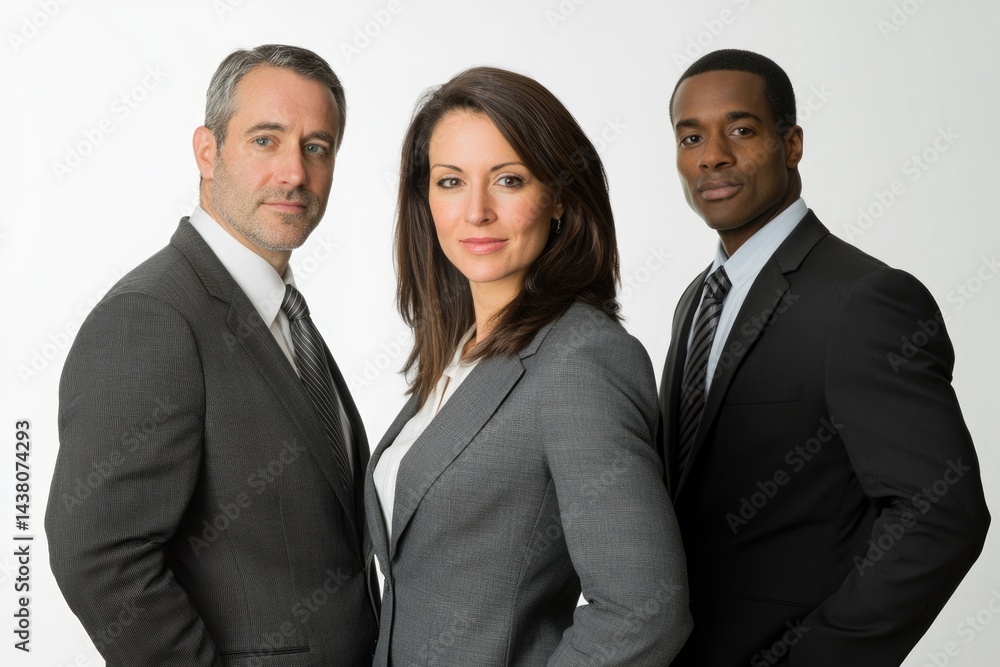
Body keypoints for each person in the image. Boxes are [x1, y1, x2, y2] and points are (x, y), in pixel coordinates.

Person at [45, 44, 378, 665]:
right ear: (207, 151)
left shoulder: (282, 313)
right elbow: (98, 557)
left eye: (316, 147)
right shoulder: (153, 315)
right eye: (265, 140)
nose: (294, 173)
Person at [657, 48, 990, 666]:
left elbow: (942, 513)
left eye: (740, 130)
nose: (712, 156)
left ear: (792, 145)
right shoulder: (696, 301)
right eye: (690, 137)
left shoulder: (863, 299)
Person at [365, 66, 692, 665]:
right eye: (450, 181)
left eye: (509, 180)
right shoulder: (458, 352)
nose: (476, 211)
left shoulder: (582, 358)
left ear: (559, 196)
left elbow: (644, 611)